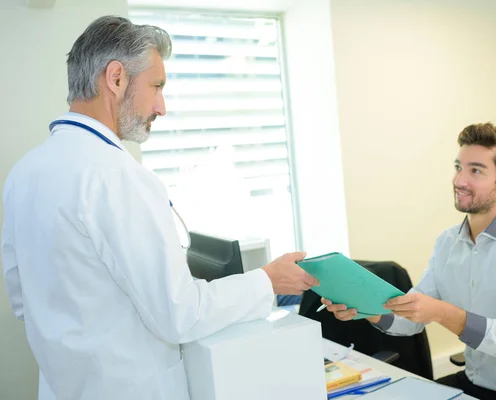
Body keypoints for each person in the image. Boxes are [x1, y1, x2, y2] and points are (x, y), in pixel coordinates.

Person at [1, 16, 318, 400]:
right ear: (116, 78)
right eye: (156, 86)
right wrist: (268, 280)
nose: (161, 107)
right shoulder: (117, 176)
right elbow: (180, 314)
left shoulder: (24, 172)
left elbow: (23, 303)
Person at [322, 123, 496, 400]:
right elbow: (412, 319)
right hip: (475, 382)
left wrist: (443, 313)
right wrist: (365, 308)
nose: (459, 180)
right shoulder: (448, 242)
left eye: (475, 170)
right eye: (458, 167)